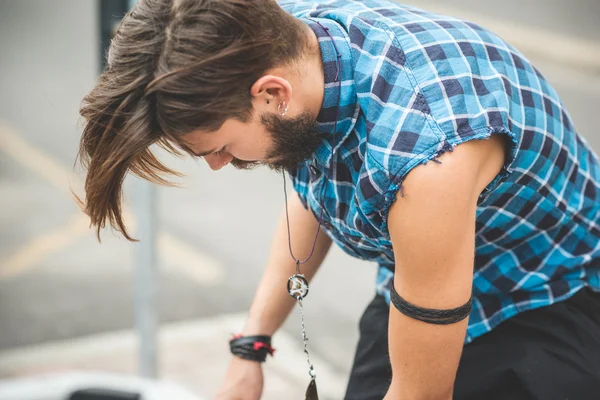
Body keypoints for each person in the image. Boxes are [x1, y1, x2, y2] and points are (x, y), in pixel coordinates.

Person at [77, 0, 600, 399]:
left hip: (550, 291)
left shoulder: (427, 153)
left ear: (272, 94)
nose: (218, 164)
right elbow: (316, 191)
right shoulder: (291, 43)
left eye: (220, 147)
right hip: (422, 266)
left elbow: (421, 393)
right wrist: (251, 345)